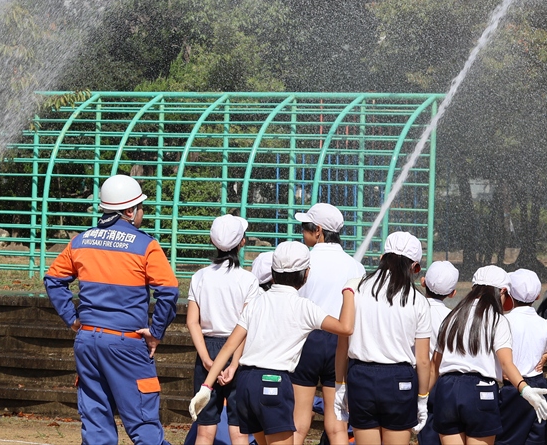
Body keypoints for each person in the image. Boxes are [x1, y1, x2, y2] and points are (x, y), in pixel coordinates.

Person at [44, 174, 178, 445]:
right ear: (129, 211)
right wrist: (156, 332)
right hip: (126, 343)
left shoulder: (80, 241)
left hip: (87, 341)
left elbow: (53, 280)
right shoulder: (146, 245)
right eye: (141, 207)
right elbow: (169, 290)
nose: (142, 213)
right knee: (143, 423)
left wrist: (72, 319)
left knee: (96, 424)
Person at [189, 241, 355, 445]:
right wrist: (349, 291)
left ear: (273, 273)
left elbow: (228, 346)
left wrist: (206, 386)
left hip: (246, 384)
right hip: (274, 382)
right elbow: (345, 327)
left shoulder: (256, 302)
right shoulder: (304, 307)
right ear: (306, 274)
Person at [428, 265, 547, 445]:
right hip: (480, 390)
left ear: (473, 288)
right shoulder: (497, 320)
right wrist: (525, 389)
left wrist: (421, 398)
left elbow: (434, 366)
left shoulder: (452, 317)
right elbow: (506, 363)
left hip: (446, 390)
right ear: (503, 291)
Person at [333, 232, 431, 445]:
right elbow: (423, 360)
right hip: (399, 380)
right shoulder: (418, 300)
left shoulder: (355, 288)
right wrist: (422, 399)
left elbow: (342, 346)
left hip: (361, 376)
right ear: (415, 267)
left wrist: (340, 385)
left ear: (382, 258)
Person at [291, 203, 365, 445]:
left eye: (305, 227)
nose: (302, 232)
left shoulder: (304, 261)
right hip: (341, 344)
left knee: (298, 421)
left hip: (307, 341)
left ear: (318, 231)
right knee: (338, 425)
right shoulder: (355, 266)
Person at [187, 215, 260, 445]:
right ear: (242, 242)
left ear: (212, 241)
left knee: (204, 430)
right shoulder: (248, 280)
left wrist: (206, 359)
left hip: (207, 347)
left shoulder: (199, 276)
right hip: (240, 351)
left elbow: (192, 322)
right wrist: (234, 363)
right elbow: (246, 325)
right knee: (239, 431)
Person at [497, 270, 547, 445]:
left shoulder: (503, 321)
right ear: (538, 296)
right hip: (539, 386)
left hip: (512, 386)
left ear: (509, 294)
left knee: (506, 439)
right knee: (535, 439)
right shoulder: (545, 325)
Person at [416, 260, 458, 445]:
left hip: (418, 380)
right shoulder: (454, 318)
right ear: (452, 293)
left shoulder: (414, 309)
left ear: (422, 282)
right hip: (446, 384)